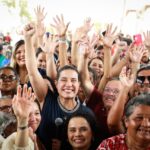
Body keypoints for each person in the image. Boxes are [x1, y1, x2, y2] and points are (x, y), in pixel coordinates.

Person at [24, 20, 94, 149]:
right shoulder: (47, 98)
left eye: (73, 81)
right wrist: (28, 39)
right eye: (64, 80)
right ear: (56, 83)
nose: (69, 84)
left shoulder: (86, 113)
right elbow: (33, 72)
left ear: (79, 85)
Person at [1, 84, 45, 150]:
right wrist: (23, 120)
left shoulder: (38, 137)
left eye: (37, 113)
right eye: (28, 114)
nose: (33, 119)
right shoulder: (11, 138)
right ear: (16, 114)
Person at [0, 66, 18, 138]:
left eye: (11, 77)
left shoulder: (22, 101)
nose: (7, 80)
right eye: (2, 77)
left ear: (16, 81)